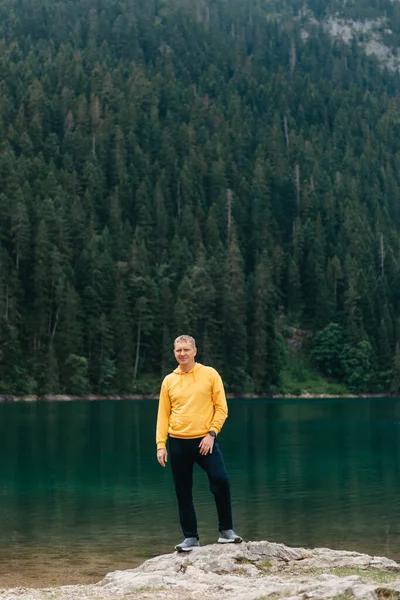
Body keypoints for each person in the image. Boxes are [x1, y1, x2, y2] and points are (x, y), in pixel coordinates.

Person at [156, 334, 242, 552]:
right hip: (177, 443)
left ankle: (226, 532)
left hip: (206, 441)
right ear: (174, 353)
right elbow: (163, 415)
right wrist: (160, 444)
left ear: (195, 351)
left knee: (220, 480)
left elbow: (221, 408)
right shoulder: (169, 380)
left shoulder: (210, 374)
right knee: (183, 491)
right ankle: (191, 538)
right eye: (178, 350)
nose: (182, 354)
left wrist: (211, 433)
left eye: (186, 349)